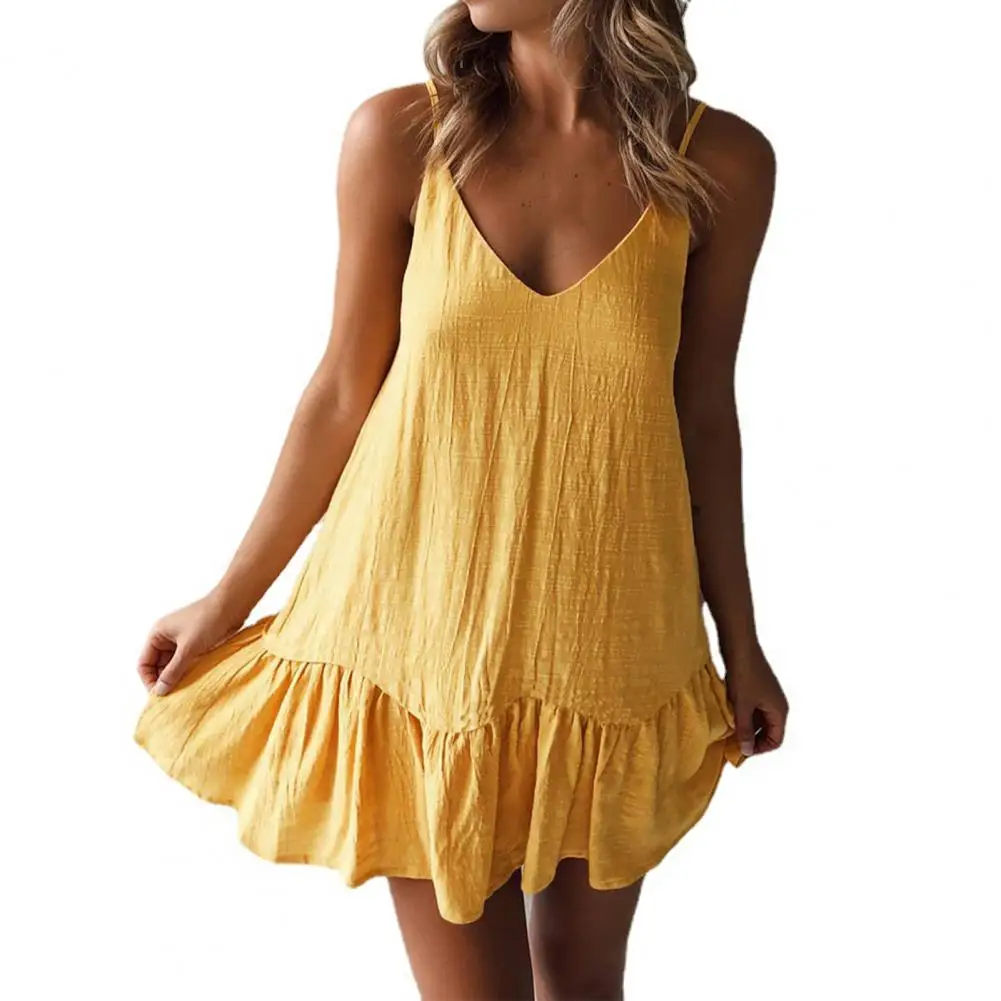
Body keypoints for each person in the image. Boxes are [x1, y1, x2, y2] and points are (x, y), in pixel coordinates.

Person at [134, 1, 789, 997]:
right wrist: (226, 599)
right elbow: (342, 391)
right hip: (420, 638)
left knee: (584, 983)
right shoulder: (400, 137)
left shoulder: (720, 162)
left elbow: (702, 415)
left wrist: (740, 640)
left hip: (609, 642)